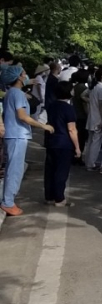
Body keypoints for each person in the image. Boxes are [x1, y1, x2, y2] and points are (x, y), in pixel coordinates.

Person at [1, 65, 55, 215]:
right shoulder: (17, 94)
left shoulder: (10, 93)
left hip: (13, 134)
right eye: (24, 73)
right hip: (17, 135)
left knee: (11, 169)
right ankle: (8, 202)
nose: (26, 76)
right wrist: (43, 126)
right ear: (18, 77)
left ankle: (6, 199)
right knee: (15, 170)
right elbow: (23, 116)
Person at [44, 81, 81, 206]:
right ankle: (59, 198)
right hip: (64, 143)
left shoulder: (51, 106)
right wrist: (77, 147)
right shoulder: (69, 108)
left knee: (50, 170)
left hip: (52, 141)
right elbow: (72, 129)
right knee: (61, 171)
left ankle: (49, 196)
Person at [84, 67, 102, 170]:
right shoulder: (101, 88)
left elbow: (83, 96)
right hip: (98, 117)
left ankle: (88, 162)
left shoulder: (93, 87)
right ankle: (91, 163)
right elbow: (101, 106)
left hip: (91, 117)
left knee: (90, 141)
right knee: (96, 143)